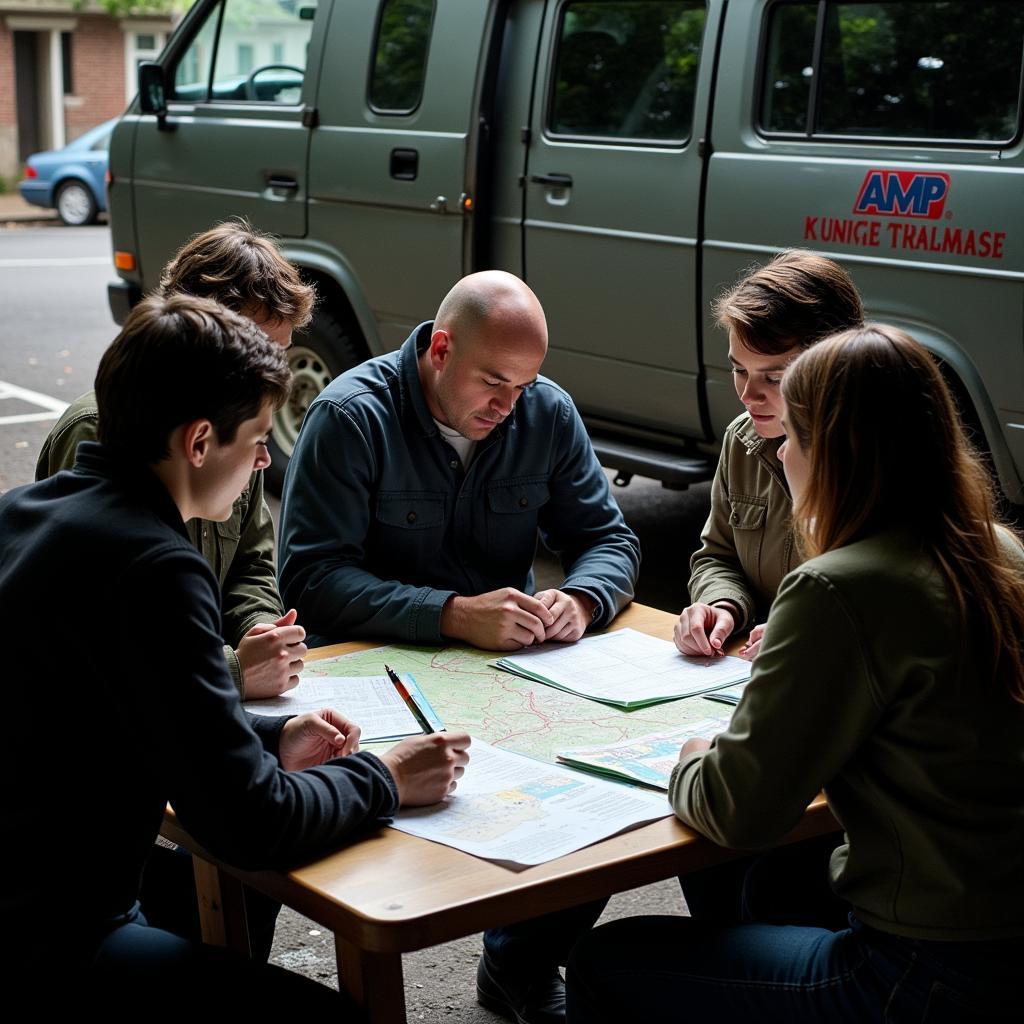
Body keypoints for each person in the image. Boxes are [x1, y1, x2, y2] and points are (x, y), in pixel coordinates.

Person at [0, 294, 471, 1010]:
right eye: (254, 438)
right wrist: (386, 777)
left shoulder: (29, 513)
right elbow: (251, 826)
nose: (260, 460)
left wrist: (271, 734)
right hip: (58, 937)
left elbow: (118, 703)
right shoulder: (155, 565)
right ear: (197, 443)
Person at [566, 325, 1024, 1023]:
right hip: (999, 946)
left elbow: (737, 809)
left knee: (610, 960)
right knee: (759, 902)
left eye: (793, 437)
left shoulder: (838, 589)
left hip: (921, 971)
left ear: (834, 452)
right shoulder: (999, 550)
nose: (779, 452)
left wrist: (694, 758)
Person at [279, 270, 641, 1023]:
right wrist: (447, 614)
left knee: (612, 807)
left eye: (526, 385)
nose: (509, 407)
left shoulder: (544, 412)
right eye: (494, 383)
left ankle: (518, 961)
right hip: (373, 681)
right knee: (385, 857)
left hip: (511, 674)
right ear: (440, 349)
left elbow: (607, 538)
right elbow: (311, 578)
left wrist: (581, 597)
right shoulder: (351, 416)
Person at [37, 219, 313, 701]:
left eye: (282, 352)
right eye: (258, 347)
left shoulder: (241, 432)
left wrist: (261, 633)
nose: (274, 370)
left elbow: (250, 562)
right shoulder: (96, 431)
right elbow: (94, 650)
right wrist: (232, 671)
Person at [674, 250, 863, 662]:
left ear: (833, 365)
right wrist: (721, 606)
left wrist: (807, 630)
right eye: (739, 369)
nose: (747, 395)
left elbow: (897, 609)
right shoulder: (741, 440)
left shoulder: (880, 461)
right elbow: (717, 555)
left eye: (774, 377)